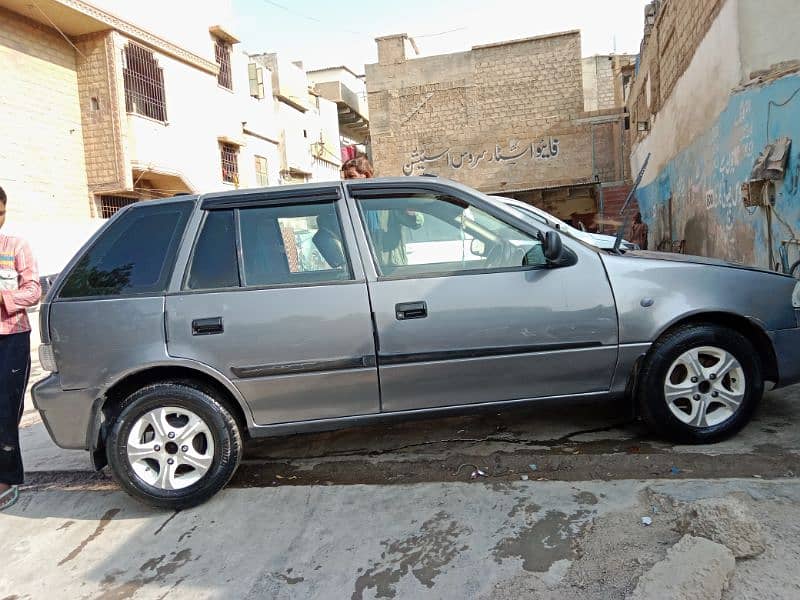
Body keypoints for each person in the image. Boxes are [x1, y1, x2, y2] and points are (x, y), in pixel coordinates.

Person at [0, 186, 41, 511]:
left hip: (10, 337)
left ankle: (7, 478)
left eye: (1, 213)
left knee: (5, 410)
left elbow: (33, 291)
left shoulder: (15, 247)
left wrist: (4, 298)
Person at [341, 156, 423, 267]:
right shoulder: (350, 204)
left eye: (351, 176)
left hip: (391, 268)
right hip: (365, 266)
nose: (347, 181)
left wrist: (409, 212)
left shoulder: (385, 198)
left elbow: (417, 222)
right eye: (345, 178)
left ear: (366, 176)